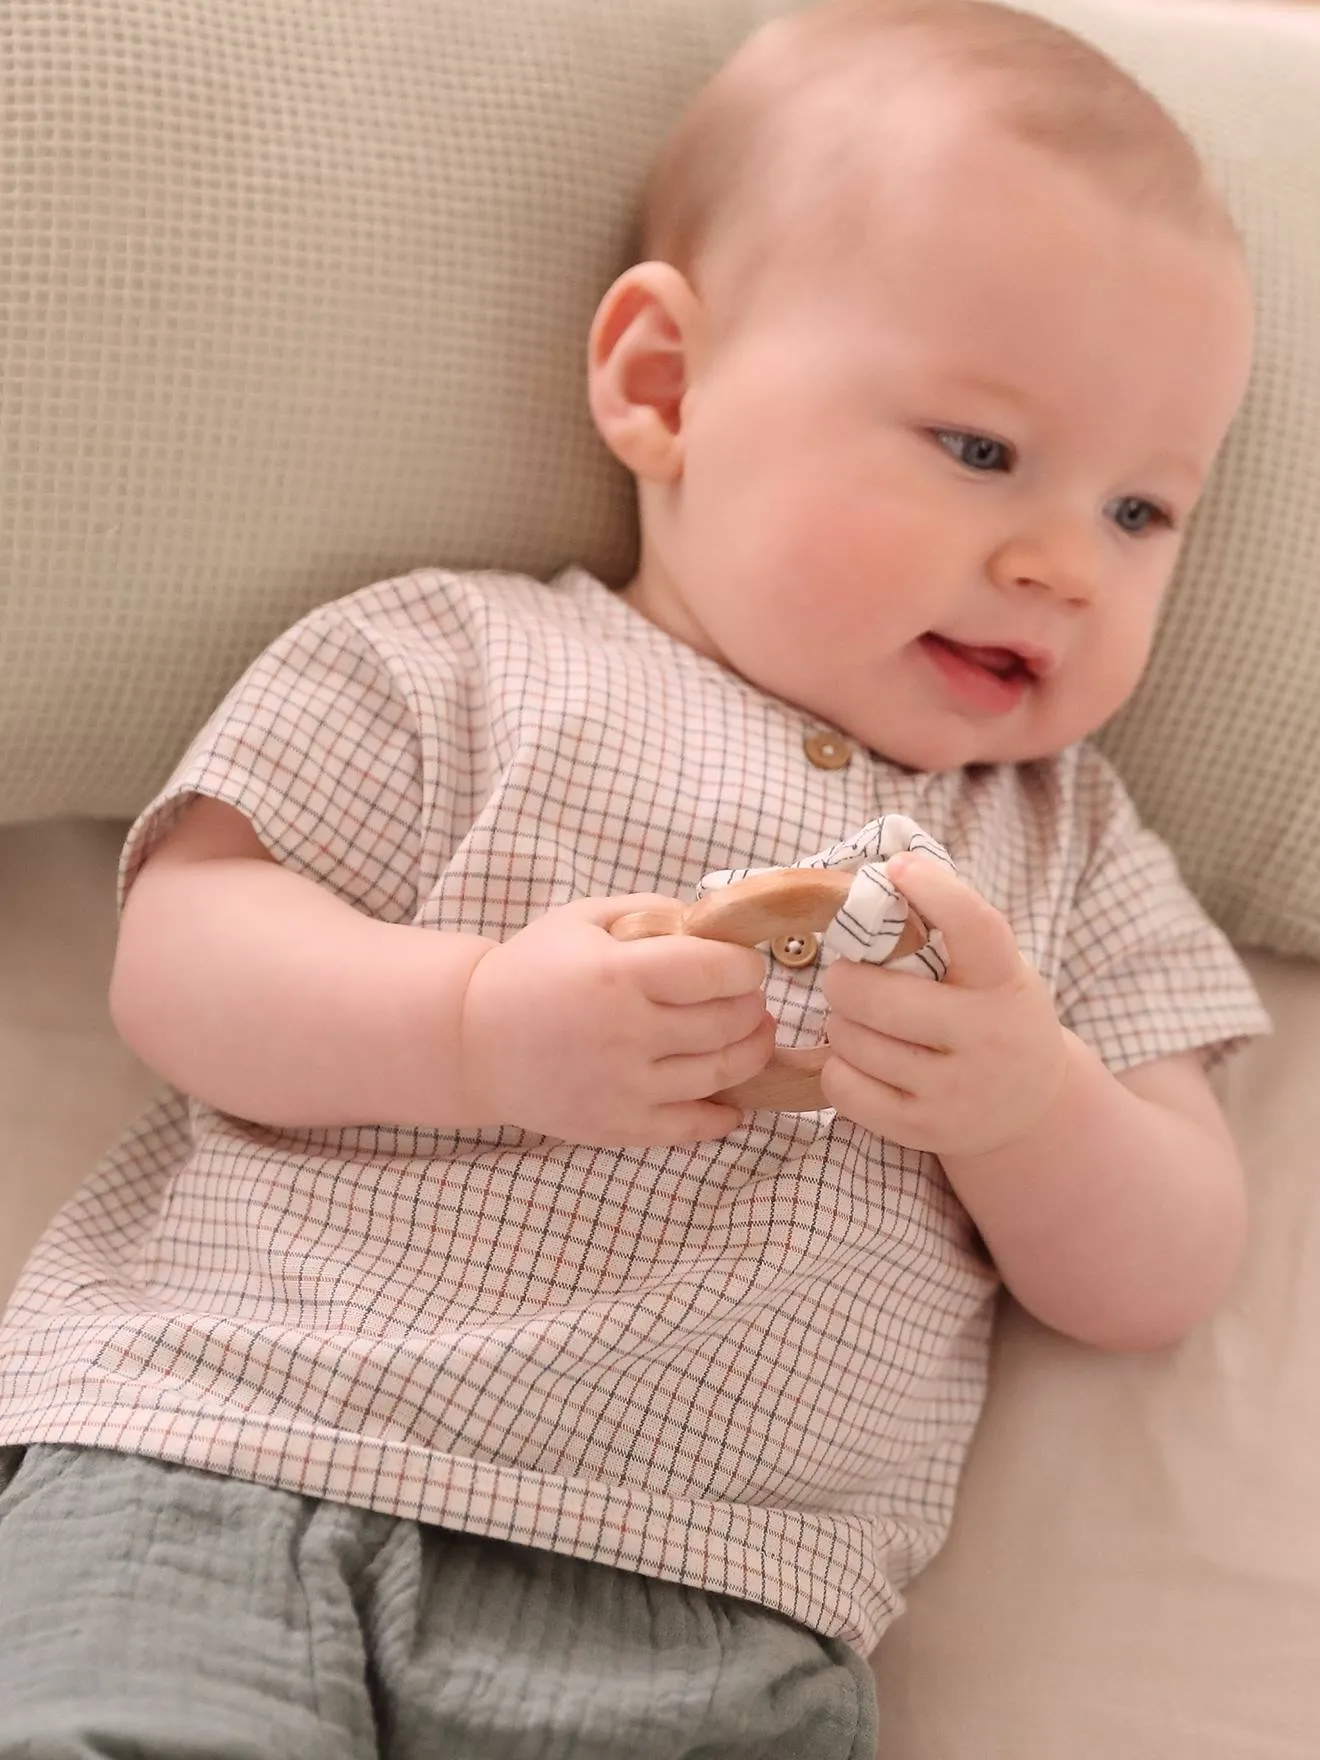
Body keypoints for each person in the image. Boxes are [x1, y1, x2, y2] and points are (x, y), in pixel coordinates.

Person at [0, 1, 1268, 1753]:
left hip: (705, 1609)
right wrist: (470, 1029)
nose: (1063, 563)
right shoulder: (454, 658)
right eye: (980, 452)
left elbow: (1171, 1261)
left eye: (1144, 513)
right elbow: (179, 956)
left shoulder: (1061, 843)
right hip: (224, 1442)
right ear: (663, 387)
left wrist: (1030, 1105)